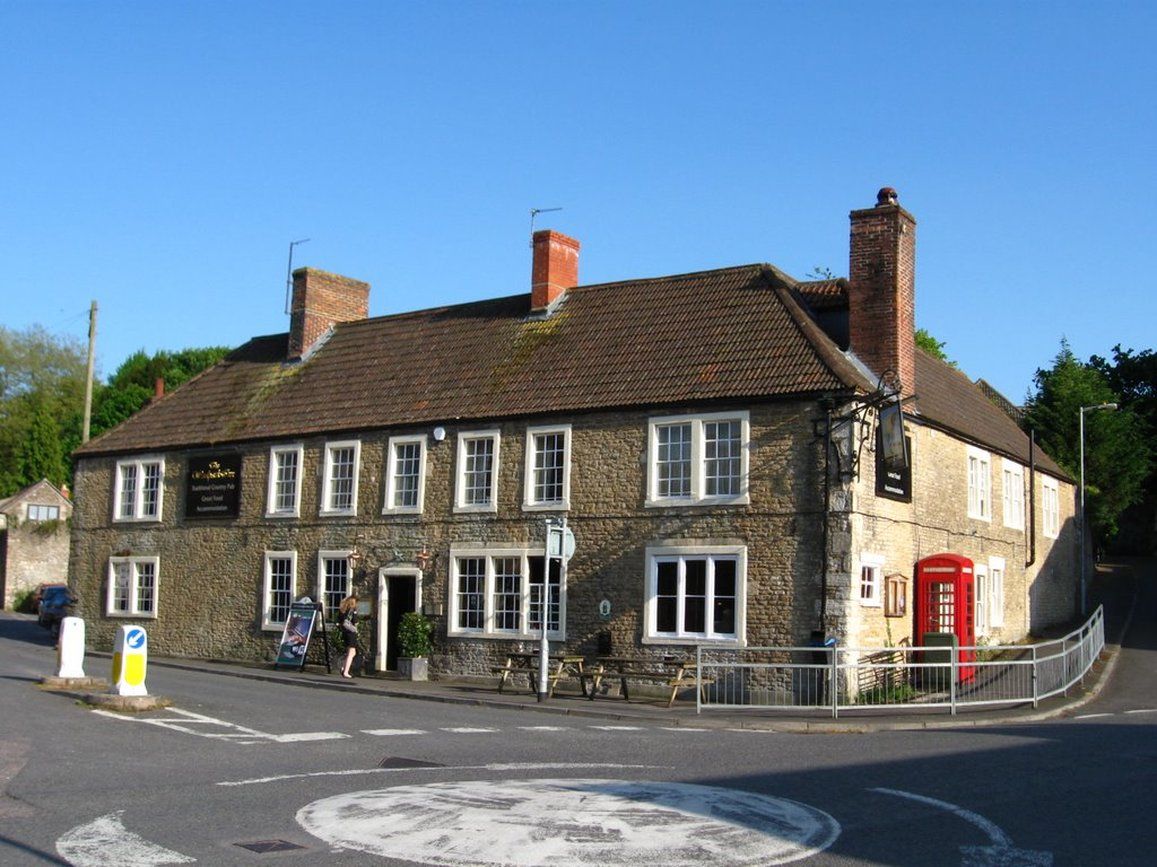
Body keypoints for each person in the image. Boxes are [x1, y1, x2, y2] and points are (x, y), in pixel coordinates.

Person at [338, 595, 360, 678]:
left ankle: (344, 668)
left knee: (351, 652)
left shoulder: (343, 610)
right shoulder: (352, 610)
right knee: (351, 652)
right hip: (351, 633)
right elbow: (355, 621)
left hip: (345, 633)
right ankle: (346, 672)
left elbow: (340, 621)